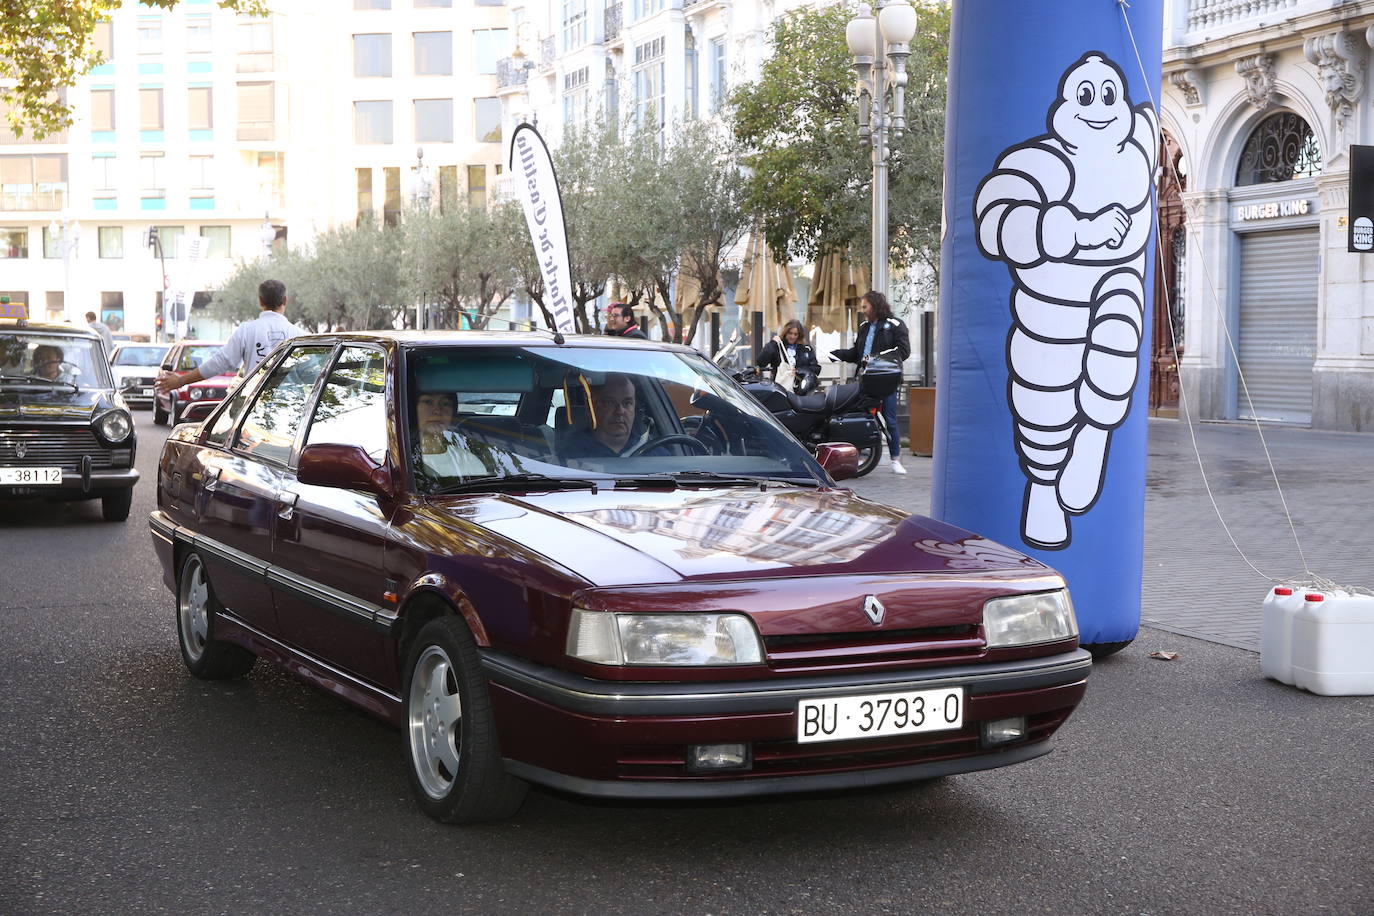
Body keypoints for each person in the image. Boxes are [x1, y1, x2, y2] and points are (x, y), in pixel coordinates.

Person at [156, 279, 303, 393]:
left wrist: (181, 381)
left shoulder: (247, 331)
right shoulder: (299, 335)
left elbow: (220, 362)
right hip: (290, 414)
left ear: (261, 301)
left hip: (254, 410)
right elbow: (311, 373)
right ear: (285, 300)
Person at [830, 290, 912, 475]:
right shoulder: (864, 326)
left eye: (865, 306)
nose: (863, 310)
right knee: (860, 417)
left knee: (890, 419)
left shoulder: (895, 325)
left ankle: (895, 459)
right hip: (866, 380)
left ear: (875, 305)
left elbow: (904, 351)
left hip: (887, 380)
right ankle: (860, 456)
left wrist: (877, 360)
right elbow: (856, 353)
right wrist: (836, 354)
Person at [560, 374, 649, 458]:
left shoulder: (651, 451)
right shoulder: (569, 452)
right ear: (590, 408)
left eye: (627, 403)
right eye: (609, 402)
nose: (620, 411)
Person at [413, 390, 493, 478]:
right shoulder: (398, 459)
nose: (437, 411)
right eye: (428, 402)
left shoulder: (468, 461)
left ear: (452, 413)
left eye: (445, 403)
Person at [757, 319, 820, 393]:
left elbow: (816, 369)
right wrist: (773, 343)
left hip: (800, 390)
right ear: (785, 333)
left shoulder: (806, 349)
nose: (792, 337)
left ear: (799, 335)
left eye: (795, 334)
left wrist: (798, 370)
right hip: (779, 388)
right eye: (790, 333)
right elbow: (761, 362)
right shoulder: (777, 347)